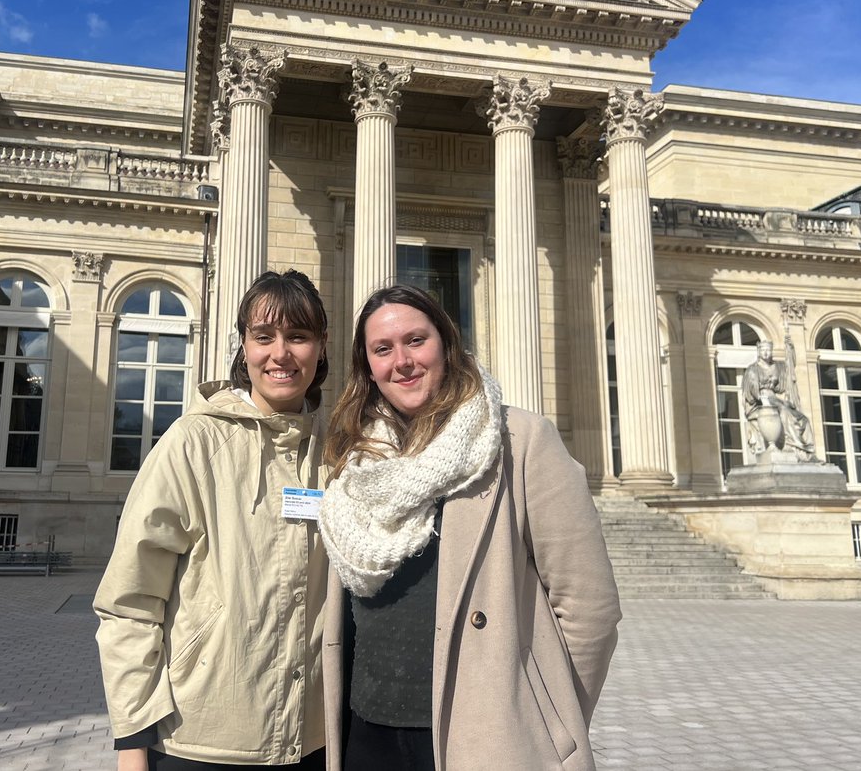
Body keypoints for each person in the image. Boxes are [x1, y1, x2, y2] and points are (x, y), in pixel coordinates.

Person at [318, 285, 621, 771]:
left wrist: (549, 724)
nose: (403, 361)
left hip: (486, 736)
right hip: (368, 731)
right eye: (382, 349)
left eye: (416, 340)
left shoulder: (520, 441)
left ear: (446, 344)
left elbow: (590, 609)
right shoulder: (355, 463)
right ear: (368, 369)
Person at [95, 270, 330, 771]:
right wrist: (132, 741)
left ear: (321, 347)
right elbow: (130, 601)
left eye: (298, 336)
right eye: (263, 337)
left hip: (312, 740)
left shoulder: (336, 453)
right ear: (243, 347)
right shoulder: (193, 443)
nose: (280, 354)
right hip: (201, 739)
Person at [741, 340, 815, 460]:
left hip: (774, 399)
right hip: (760, 402)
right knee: (785, 412)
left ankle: (805, 450)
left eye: (768, 350)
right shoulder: (753, 370)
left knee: (803, 419)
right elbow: (751, 393)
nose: (765, 353)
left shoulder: (777, 367)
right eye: (763, 350)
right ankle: (794, 445)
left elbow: (789, 369)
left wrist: (790, 351)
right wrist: (762, 399)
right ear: (759, 352)